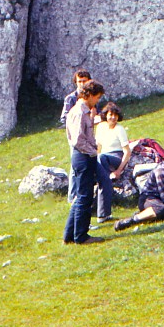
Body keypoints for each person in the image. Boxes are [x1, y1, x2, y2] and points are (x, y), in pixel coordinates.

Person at [63, 80, 105, 245]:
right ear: (90, 95)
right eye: (97, 97)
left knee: (81, 196)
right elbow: (78, 140)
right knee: (85, 197)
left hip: (84, 156)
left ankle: (69, 235)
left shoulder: (85, 111)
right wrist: (93, 152)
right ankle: (81, 236)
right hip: (83, 156)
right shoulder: (79, 112)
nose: (98, 101)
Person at [95, 102, 131, 223]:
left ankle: (102, 213)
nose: (113, 117)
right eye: (110, 115)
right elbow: (98, 147)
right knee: (100, 161)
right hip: (103, 157)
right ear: (106, 115)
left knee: (102, 160)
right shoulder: (101, 127)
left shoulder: (119, 129)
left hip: (116, 157)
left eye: (115, 115)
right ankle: (102, 213)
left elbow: (127, 151)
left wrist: (119, 170)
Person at [61, 69, 93, 204]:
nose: (82, 84)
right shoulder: (71, 98)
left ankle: (84, 194)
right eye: (79, 81)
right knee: (75, 166)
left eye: (84, 81)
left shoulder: (91, 97)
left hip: (90, 134)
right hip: (76, 136)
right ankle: (72, 196)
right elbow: (64, 117)